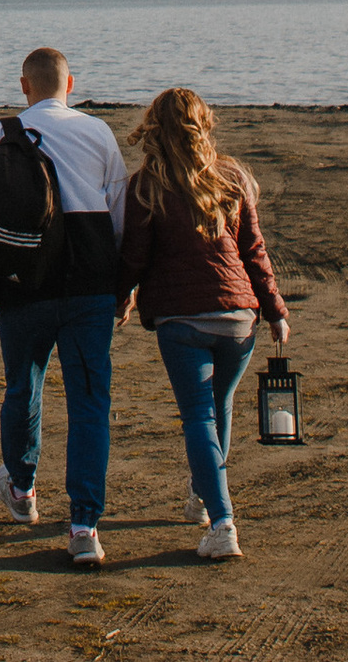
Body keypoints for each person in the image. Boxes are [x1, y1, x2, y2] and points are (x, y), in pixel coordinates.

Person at [0, 45, 127, 567]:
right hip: (90, 287)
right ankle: (84, 527)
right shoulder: (98, 133)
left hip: (22, 285)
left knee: (22, 388)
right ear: (70, 84)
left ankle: (23, 490)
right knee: (89, 401)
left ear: (24, 86)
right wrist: (123, 286)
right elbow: (118, 216)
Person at [114, 85, 290, 563]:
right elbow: (254, 251)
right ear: (202, 123)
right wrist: (274, 310)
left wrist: (120, 298)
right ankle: (202, 496)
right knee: (220, 407)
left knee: (199, 418)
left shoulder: (145, 186)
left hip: (182, 321)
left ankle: (223, 522)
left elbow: (133, 257)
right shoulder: (229, 178)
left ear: (155, 128)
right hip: (239, 320)